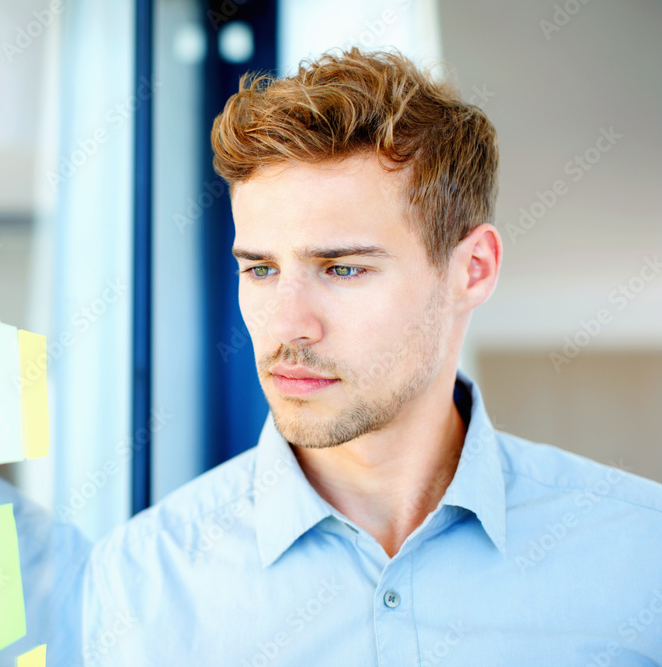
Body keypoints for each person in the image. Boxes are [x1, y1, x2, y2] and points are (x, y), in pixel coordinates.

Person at [69, 47, 662, 666]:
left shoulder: (642, 555)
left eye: (343, 268)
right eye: (261, 269)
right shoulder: (143, 582)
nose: (287, 325)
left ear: (472, 271)